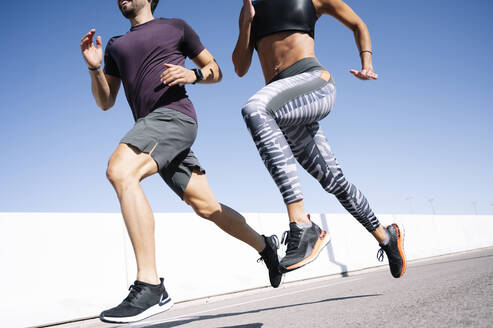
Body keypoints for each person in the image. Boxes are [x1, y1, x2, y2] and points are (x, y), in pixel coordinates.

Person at [80, 0, 282, 323]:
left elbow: (216, 70)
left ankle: (150, 284)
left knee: (120, 170)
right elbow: (106, 101)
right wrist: (94, 67)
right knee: (208, 207)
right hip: (154, 132)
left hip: (175, 118)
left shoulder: (176, 27)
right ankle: (265, 247)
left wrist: (192, 74)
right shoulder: (116, 46)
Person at [233, 0, 406, 277]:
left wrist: (366, 63)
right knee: (334, 181)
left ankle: (301, 225)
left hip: (313, 82)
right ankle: (386, 237)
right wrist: (246, 22)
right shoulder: (250, 6)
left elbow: (357, 24)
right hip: (284, 102)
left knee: (255, 109)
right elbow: (240, 67)